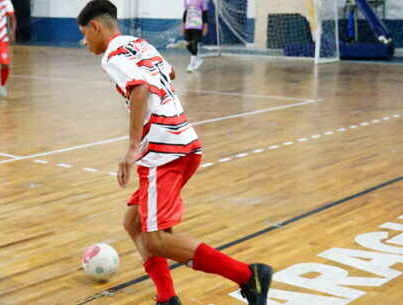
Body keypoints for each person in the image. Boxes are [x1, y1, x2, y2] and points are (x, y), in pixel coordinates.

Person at [77, 1, 272, 304]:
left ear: (96, 27)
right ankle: (167, 297)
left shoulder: (113, 55)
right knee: (134, 223)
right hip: (184, 141)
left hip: (161, 151)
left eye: (85, 35)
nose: (85, 42)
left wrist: (131, 148)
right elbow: (170, 74)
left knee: (156, 239)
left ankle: (248, 276)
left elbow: (139, 88)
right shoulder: (139, 44)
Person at [183, 0, 209, 72]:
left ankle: (191, 65)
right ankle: (198, 59)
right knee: (188, 45)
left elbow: (205, 13)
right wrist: (183, 25)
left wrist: (205, 26)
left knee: (194, 44)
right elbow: (185, 12)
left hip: (198, 25)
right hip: (188, 25)